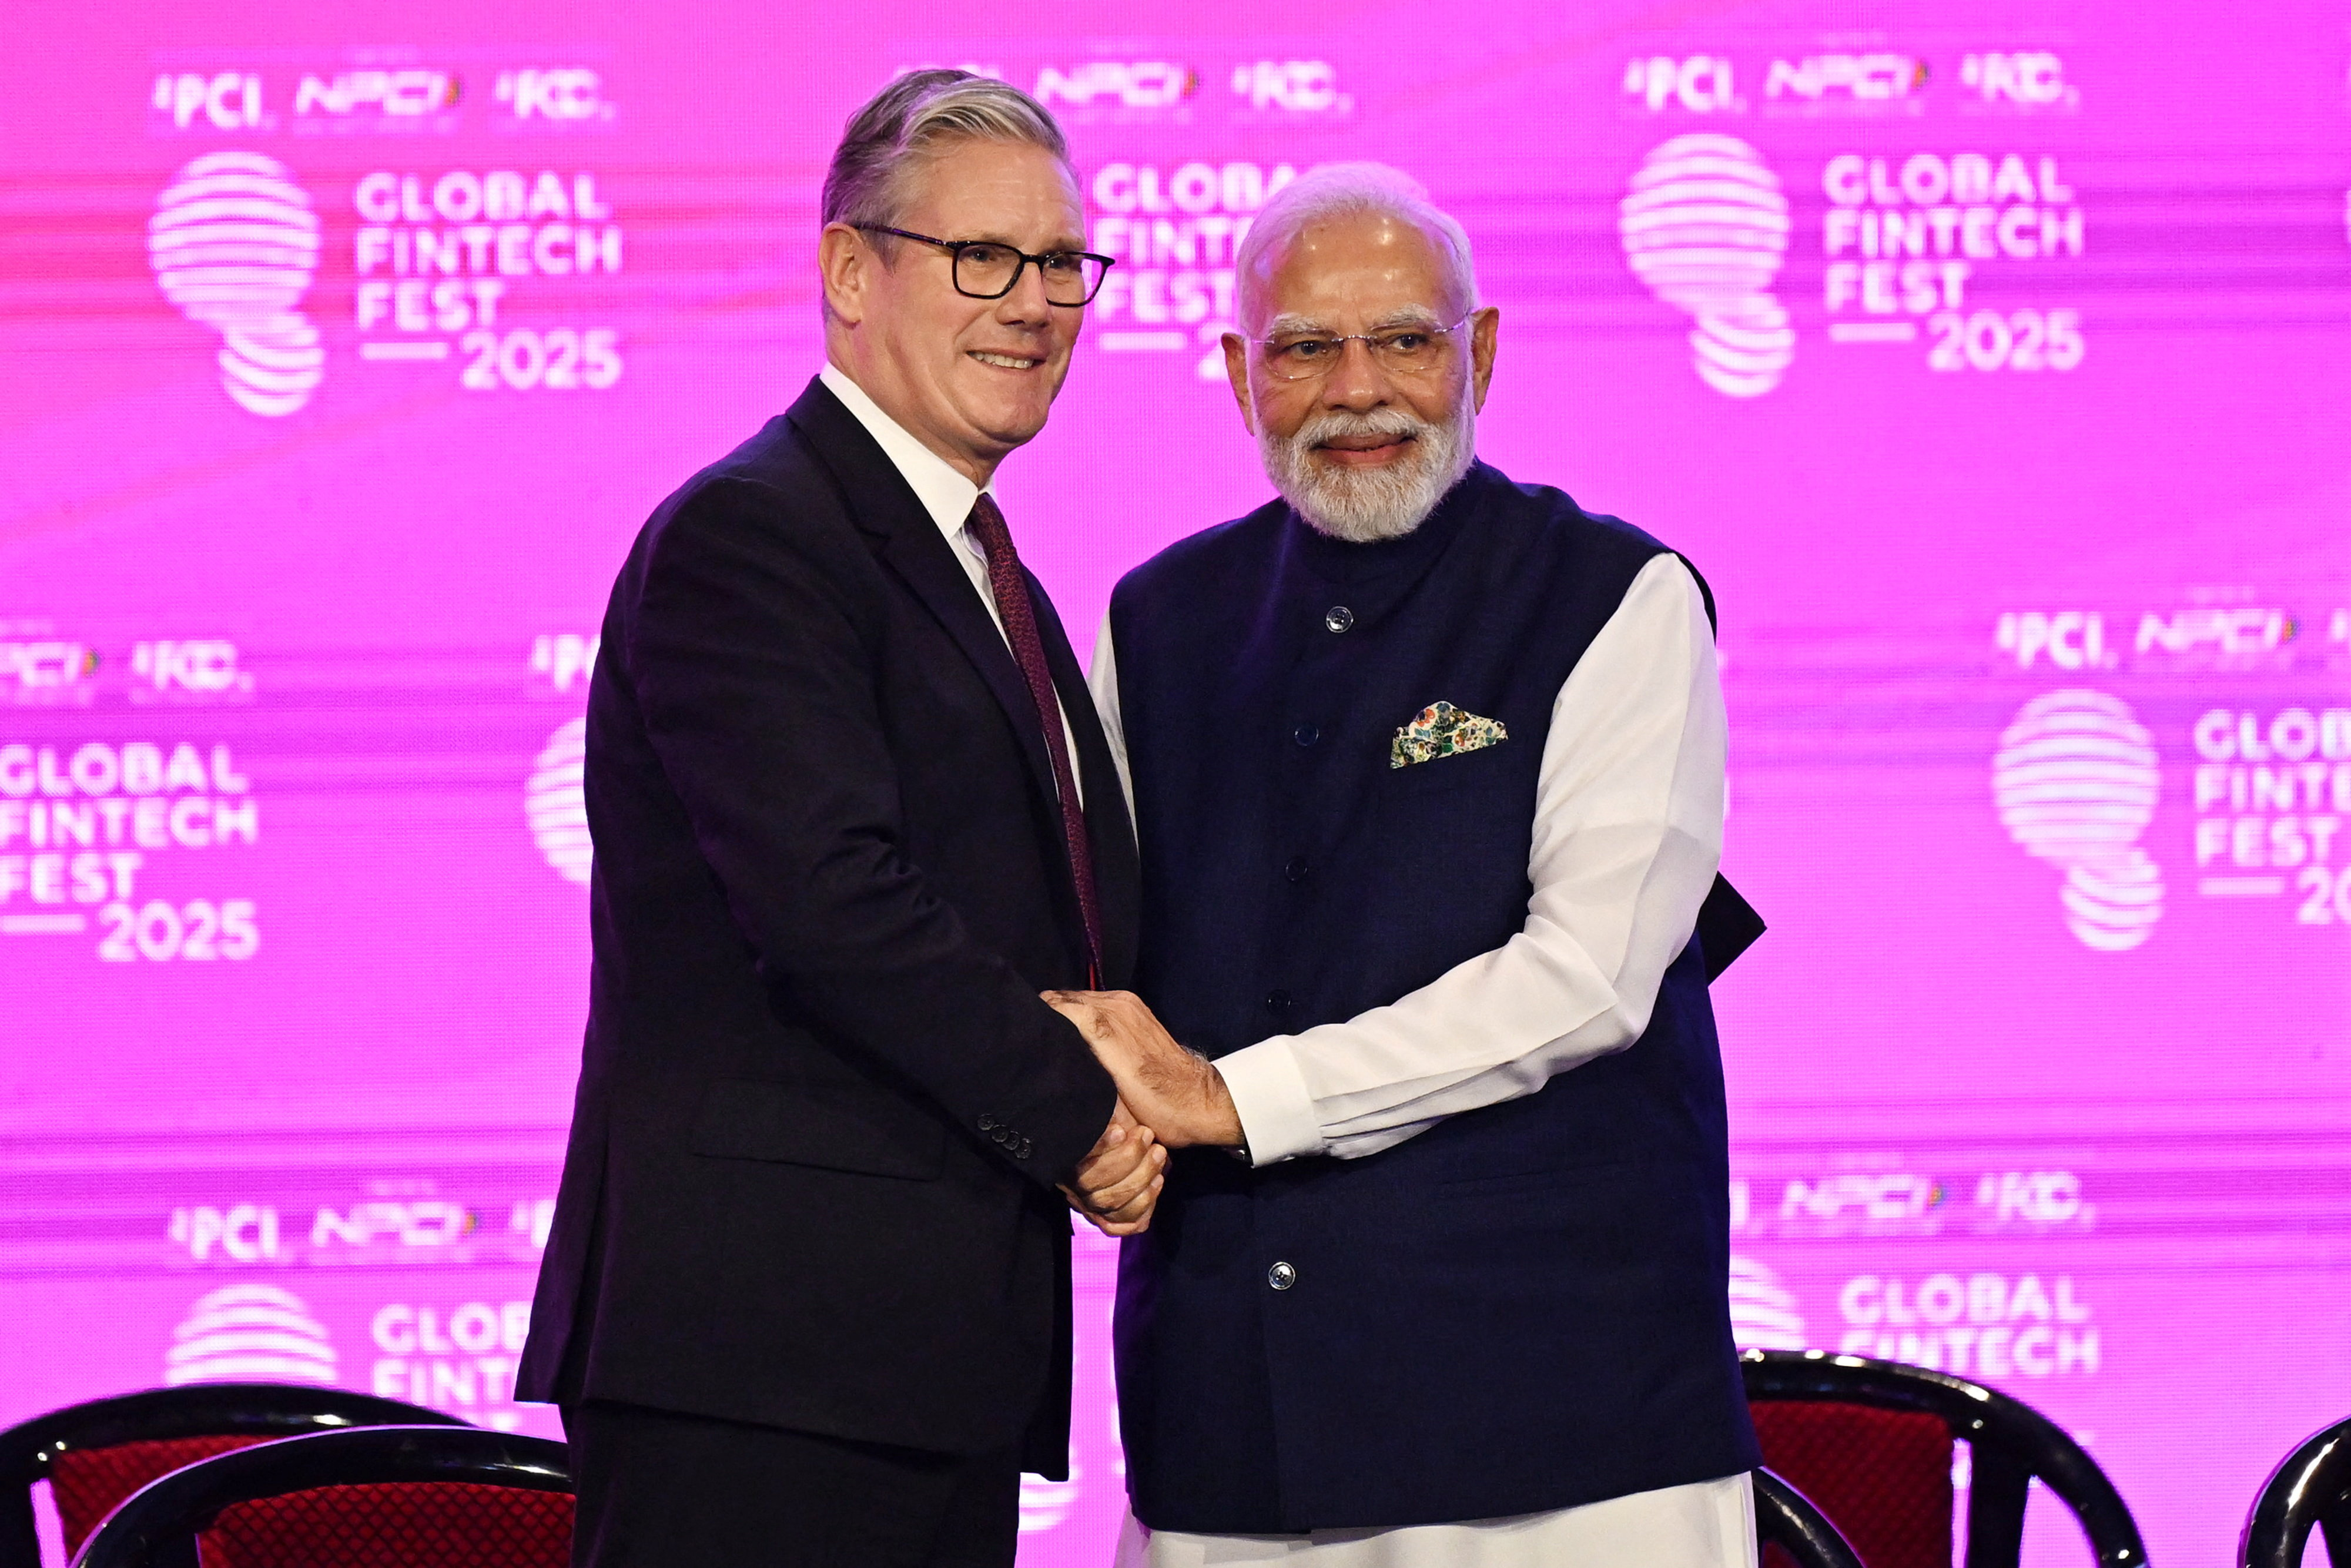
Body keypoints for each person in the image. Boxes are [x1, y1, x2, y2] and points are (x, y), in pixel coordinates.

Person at [1050, 163, 1766, 1566]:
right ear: (1235, 374)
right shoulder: (1157, 619)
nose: (1356, 388)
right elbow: (1092, 951)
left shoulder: (1617, 596)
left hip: (1563, 1439)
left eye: (1404, 340)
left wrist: (1228, 1097)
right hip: (1228, 1421)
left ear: (1480, 352)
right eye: (1305, 346)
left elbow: (1585, 982)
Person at [514, 71, 1164, 1568]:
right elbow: (833, 904)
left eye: (1063, 264)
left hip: (910, 1361)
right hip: (762, 1368)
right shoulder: (755, 537)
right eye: (981, 257)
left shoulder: (975, 563)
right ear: (848, 271)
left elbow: (1060, 910)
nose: (1033, 303)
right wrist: (1084, 1117)